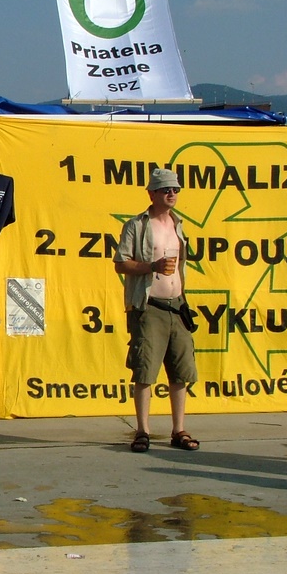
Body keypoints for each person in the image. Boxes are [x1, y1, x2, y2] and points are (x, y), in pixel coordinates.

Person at [113, 168, 200, 453]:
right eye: (166, 190)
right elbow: (120, 263)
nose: (172, 194)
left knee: (181, 371)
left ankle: (179, 429)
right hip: (148, 307)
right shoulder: (137, 225)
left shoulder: (178, 224)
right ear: (152, 194)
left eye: (176, 189)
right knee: (145, 370)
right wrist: (152, 266)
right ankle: (143, 430)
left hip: (177, 306)